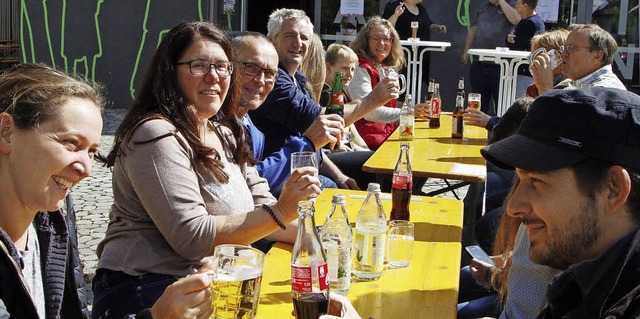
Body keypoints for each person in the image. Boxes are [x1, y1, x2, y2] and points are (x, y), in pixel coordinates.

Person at [92, 21, 320, 319]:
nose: (214, 77)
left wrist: (320, 236)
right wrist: (283, 210)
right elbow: (192, 238)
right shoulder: (155, 133)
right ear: (170, 71)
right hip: (145, 292)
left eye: (223, 67)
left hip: (212, 284)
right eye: (199, 65)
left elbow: (264, 205)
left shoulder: (226, 132)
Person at [0, 63, 216, 319]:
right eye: (71, 143)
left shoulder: (51, 221)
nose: (85, 169)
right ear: (6, 132)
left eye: (92, 152)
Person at [481, 87, 640, 317]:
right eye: (520, 179)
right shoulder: (583, 277)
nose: (514, 207)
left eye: (537, 181)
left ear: (613, 190)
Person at [249, 9, 398, 186]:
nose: (297, 43)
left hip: (307, 162)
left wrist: (339, 176)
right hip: (277, 175)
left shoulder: (298, 80)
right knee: (388, 168)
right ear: (272, 39)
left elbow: (312, 143)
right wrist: (373, 100)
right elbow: (323, 122)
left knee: (389, 164)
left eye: (304, 38)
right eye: (289, 35)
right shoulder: (274, 81)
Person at [232, 32, 343, 194]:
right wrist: (307, 143)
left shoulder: (248, 121)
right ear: (227, 67)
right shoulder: (214, 123)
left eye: (269, 73)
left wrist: (339, 175)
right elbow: (246, 187)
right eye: (251, 68)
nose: (261, 80)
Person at [347, 16, 406, 150]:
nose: (381, 44)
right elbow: (369, 112)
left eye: (386, 39)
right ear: (366, 41)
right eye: (375, 39)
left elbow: (389, 104)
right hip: (366, 144)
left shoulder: (384, 66)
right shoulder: (359, 68)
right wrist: (408, 113)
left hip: (386, 137)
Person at [530, 24, 626, 94]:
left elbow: (558, 121)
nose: (563, 54)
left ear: (597, 56)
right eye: (564, 48)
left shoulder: (604, 91)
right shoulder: (572, 86)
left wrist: (545, 88)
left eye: (571, 48)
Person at [462, 0, 520, 116]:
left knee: (501, 105)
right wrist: (466, 50)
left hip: (501, 65)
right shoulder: (483, 6)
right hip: (480, 62)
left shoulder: (513, 4)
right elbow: (473, 28)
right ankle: (476, 132)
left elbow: (516, 19)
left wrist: (501, 1)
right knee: (477, 104)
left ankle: (499, 132)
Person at [382, 0, 447, 86]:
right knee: (400, 85)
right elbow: (385, 27)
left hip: (419, 57)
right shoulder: (395, 6)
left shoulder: (421, 8)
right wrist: (396, 15)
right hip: (401, 56)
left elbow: (428, 25)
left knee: (414, 84)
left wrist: (437, 27)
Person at [505, 0, 545, 97]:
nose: (515, 6)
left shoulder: (529, 23)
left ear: (525, 6)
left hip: (524, 72)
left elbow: (515, 46)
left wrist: (508, 40)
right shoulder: (536, 20)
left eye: (518, 3)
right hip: (530, 72)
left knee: (520, 105)